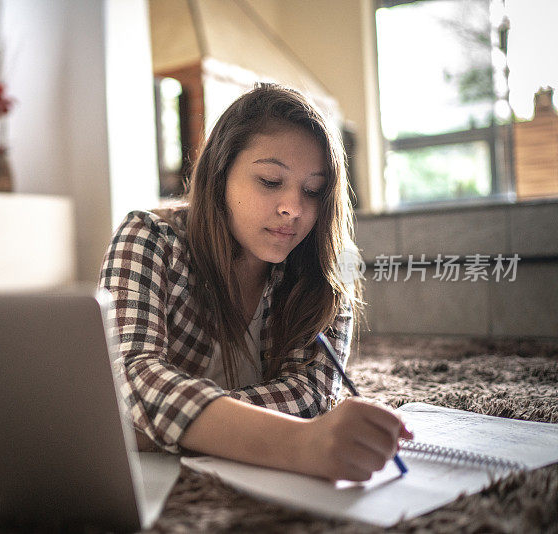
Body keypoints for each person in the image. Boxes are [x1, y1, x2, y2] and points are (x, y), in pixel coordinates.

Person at [99, 83, 412, 482]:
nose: (293, 208)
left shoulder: (324, 268)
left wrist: (155, 427)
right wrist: (299, 444)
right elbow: (129, 377)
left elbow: (309, 395)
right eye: (269, 181)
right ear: (220, 174)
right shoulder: (149, 237)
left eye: (313, 191)